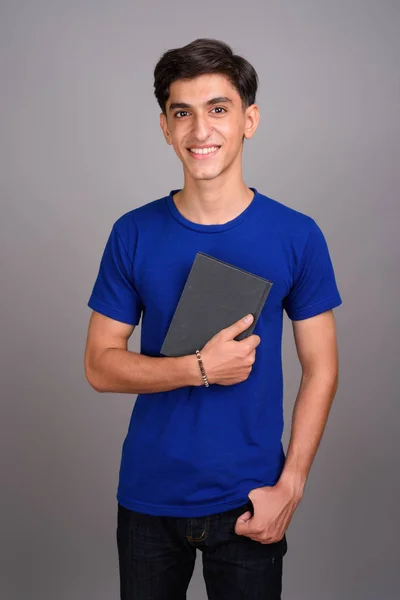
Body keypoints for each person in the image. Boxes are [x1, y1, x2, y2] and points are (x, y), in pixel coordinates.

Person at [84, 37, 342, 600]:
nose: (201, 130)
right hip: (149, 498)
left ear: (249, 120)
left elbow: (321, 368)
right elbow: (100, 367)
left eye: (218, 110)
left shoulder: (297, 235)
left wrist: (291, 486)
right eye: (183, 113)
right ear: (165, 127)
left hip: (251, 498)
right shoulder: (133, 232)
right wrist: (198, 368)